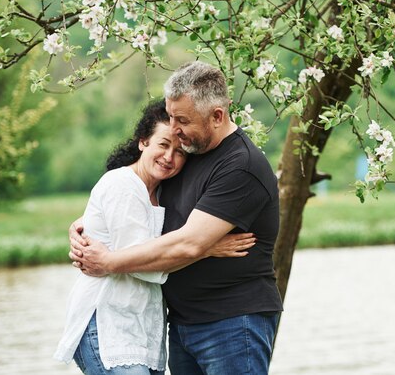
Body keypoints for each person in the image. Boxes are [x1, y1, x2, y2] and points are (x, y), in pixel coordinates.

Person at [70, 61, 284, 375]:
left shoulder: (241, 165)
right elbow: (137, 203)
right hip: (183, 325)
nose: (174, 127)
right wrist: (85, 227)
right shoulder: (188, 153)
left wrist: (109, 261)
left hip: (233, 323)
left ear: (217, 116)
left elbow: (189, 243)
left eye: (182, 119)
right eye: (171, 117)